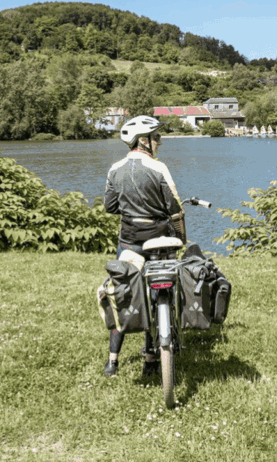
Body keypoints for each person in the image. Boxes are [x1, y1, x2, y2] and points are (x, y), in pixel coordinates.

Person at [102, 115, 186, 378]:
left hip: (129, 240)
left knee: (123, 291)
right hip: (159, 241)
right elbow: (175, 209)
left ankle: (112, 363)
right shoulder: (158, 168)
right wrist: (182, 238)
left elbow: (109, 206)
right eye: (156, 137)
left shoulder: (115, 169)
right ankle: (152, 356)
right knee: (158, 290)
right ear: (144, 141)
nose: (159, 142)